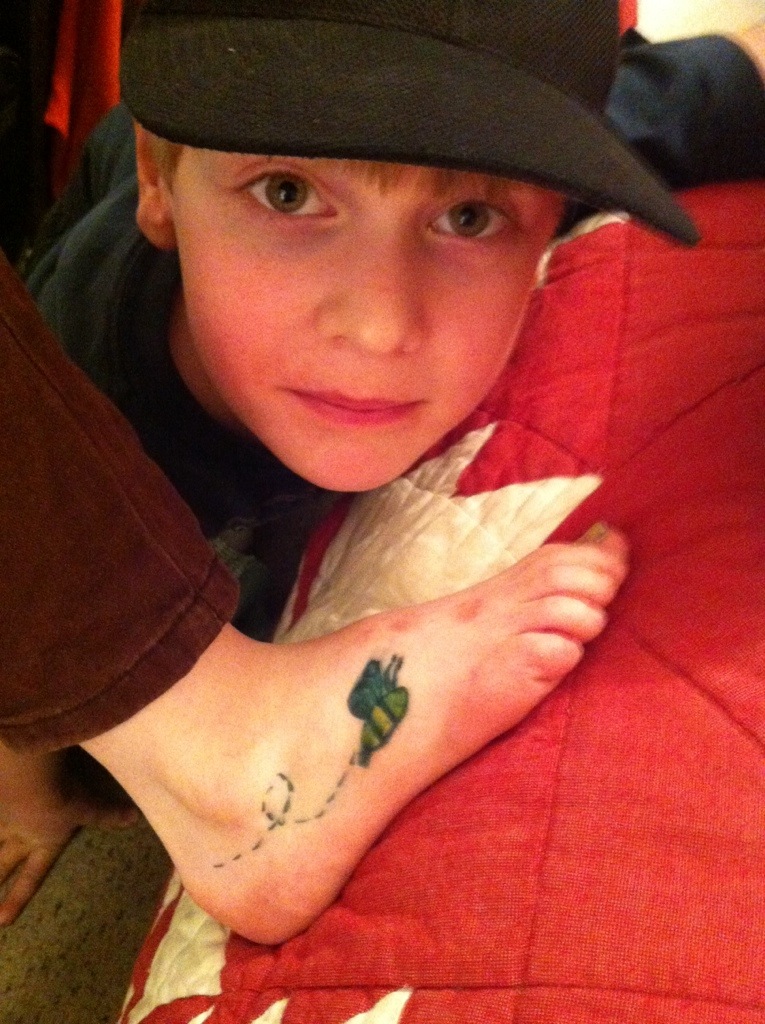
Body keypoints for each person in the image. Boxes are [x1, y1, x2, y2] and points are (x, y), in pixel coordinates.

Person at [0, 0, 757, 941]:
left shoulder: (563, 142)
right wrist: (29, 791)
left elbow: (711, 91)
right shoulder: (80, 414)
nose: (379, 327)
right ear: (159, 181)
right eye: (286, 193)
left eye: (469, 216)